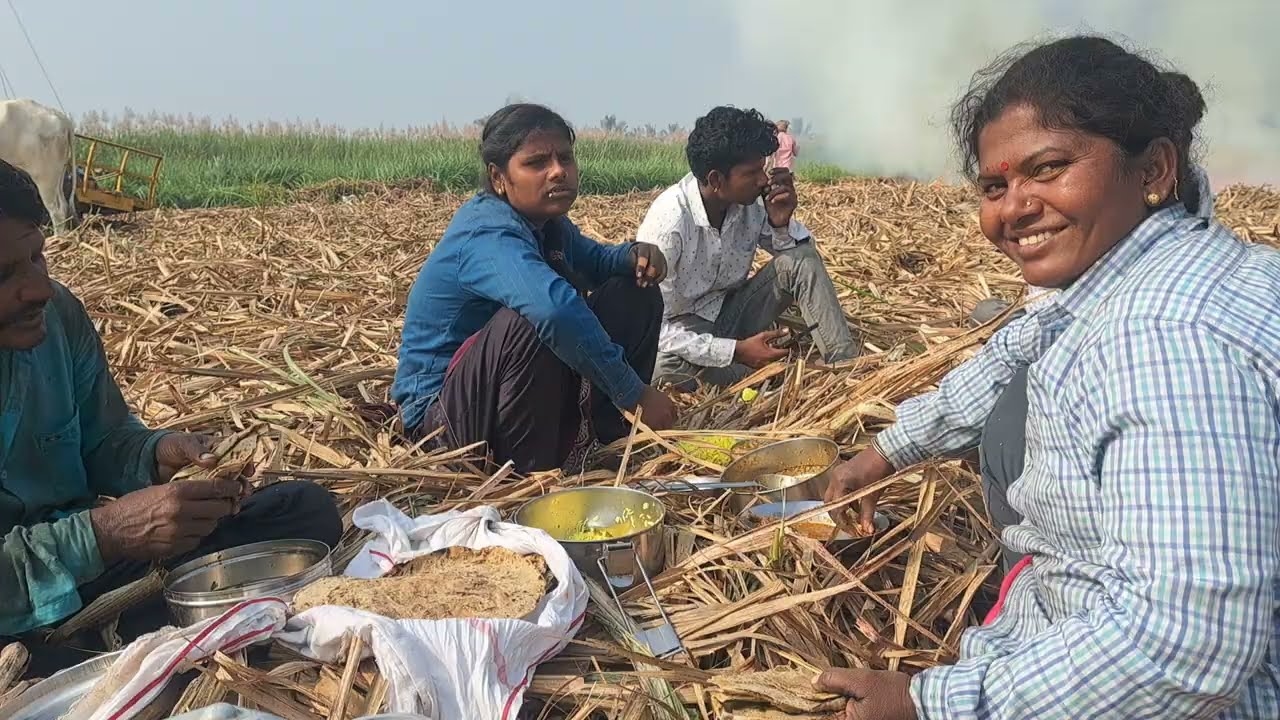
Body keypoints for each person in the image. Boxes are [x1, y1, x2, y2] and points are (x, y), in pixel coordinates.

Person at [814, 36, 1279, 720]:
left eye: (1050, 168)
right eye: (996, 186)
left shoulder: (1160, 339)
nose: (1014, 207)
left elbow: (1186, 650)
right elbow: (1010, 355)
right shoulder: (1158, 271)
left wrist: (932, 704)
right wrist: (884, 452)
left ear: (1153, 168)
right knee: (1012, 417)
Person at [0, 159, 343, 675]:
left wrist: (157, 455)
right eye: (6, 274)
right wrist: (106, 532)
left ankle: (116, 642)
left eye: (38, 257)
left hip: (88, 579)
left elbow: (105, 439)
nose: (39, 289)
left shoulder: (59, 317)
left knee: (304, 512)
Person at [392, 104, 678, 474]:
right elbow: (553, 310)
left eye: (565, 158)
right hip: (443, 420)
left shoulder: (549, 224)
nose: (558, 171)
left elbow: (596, 260)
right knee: (529, 320)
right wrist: (633, 392)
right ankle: (533, 475)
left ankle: (611, 439)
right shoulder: (488, 233)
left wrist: (637, 255)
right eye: (537, 162)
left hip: (498, 395)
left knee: (633, 291)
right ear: (499, 178)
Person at [638, 106, 858, 389]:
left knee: (801, 258)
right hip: (685, 333)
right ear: (716, 180)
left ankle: (847, 370)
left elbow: (798, 264)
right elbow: (655, 328)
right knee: (661, 370)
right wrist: (735, 351)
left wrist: (780, 224)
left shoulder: (750, 205)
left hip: (732, 313)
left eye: (763, 168)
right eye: (752, 172)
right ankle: (758, 375)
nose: (764, 180)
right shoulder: (669, 226)